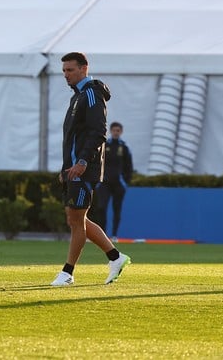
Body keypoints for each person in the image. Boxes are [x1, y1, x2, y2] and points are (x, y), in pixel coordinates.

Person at [51, 52, 130, 287]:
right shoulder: (78, 97)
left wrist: (82, 163)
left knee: (76, 219)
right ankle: (115, 258)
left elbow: (98, 132)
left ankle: (67, 273)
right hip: (74, 168)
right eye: (64, 71)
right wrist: (66, 167)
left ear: (84, 69)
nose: (66, 75)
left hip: (85, 169)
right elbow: (74, 138)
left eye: (70, 70)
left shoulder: (92, 95)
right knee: (76, 218)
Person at [93, 121, 133, 241]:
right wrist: (98, 180)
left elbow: (129, 166)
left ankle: (114, 235)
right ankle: (102, 235)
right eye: (114, 130)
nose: (116, 132)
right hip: (104, 183)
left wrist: (125, 182)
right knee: (101, 207)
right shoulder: (104, 145)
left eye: (118, 130)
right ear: (110, 131)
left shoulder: (124, 148)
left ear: (121, 132)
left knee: (117, 209)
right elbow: (96, 163)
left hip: (118, 184)